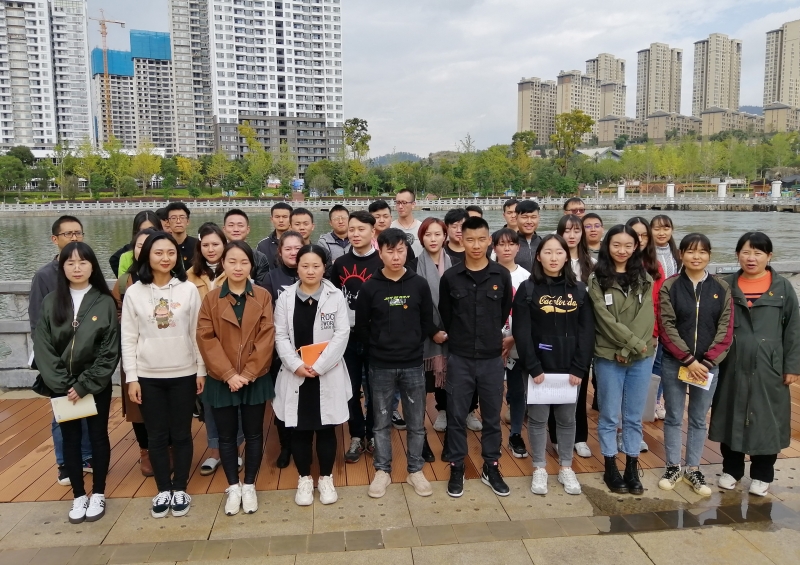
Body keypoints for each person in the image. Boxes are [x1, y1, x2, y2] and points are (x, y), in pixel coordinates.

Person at [121, 232, 206, 519]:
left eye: (171, 252)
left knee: (181, 434)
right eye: (158, 252)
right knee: (156, 435)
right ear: (147, 255)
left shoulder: (187, 289)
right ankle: (162, 489)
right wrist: (132, 377)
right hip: (148, 375)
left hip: (184, 372)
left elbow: (196, 333)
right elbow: (128, 338)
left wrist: (201, 370)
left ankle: (180, 487)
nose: (165, 258)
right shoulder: (134, 292)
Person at [34, 242, 119, 524]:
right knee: (69, 438)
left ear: (92, 266)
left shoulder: (104, 301)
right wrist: (63, 384)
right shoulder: (51, 301)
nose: (77, 268)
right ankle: (79, 495)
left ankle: (99, 493)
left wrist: (84, 384)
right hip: (61, 386)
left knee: (98, 436)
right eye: (70, 263)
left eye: (83, 262)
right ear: (62, 267)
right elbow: (43, 346)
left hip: (95, 384)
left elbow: (109, 350)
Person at [709, 232, 800, 497]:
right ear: (738, 254)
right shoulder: (725, 285)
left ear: (769, 256)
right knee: (730, 414)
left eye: (758, 253)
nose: (751, 258)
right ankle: (731, 470)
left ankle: (762, 474)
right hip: (732, 363)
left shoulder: (783, 288)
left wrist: (792, 366)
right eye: (746, 252)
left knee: (766, 417)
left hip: (769, 366)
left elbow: (794, 329)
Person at [356, 229, 436, 498]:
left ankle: (415, 469)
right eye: (389, 251)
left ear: (406, 251)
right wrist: (378, 346)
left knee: (416, 421)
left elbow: (426, 321)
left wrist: (412, 343)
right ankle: (382, 470)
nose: (395, 256)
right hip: (380, 364)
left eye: (400, 250)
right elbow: (362, 326)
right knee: (380, 421)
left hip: (412, 363)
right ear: (380, 253)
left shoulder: (419, 284)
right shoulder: (370, 287)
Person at [197, 241, 275, 516]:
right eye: (232, 261)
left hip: (255, 377)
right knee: (227, 436)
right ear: (223, 264)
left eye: (244, 262)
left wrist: (249, 373)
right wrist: (229, 374)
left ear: (251, 265)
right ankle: (233, 485)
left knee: (254, 434)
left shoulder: (262, 296)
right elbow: (206, 338)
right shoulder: (211, 299)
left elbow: (267, 336)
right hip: (222, 378)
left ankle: (249, 484)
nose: (238, 267)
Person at [513, 235, 594, 496]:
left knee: (567, 419)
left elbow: (587, 332)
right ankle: (539, 467)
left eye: (559, 252)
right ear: (538, 256)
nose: (553, 257)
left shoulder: (579, 290)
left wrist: (579, 367)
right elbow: (522, 332)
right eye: (547, 252)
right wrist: (533, 367)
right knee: (537, 419)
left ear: (566, 256)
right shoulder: (527, 289)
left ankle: (566, 467)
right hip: (538, 367)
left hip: (570, 369)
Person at [439, 216, 513, 498]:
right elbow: (446, 314)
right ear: (461, 240)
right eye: (470, 239)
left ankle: (490, 466)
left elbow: (504, 312)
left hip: (492, 358)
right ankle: (457, 465)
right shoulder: (451, 277)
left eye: (482, 239)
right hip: (460, 357)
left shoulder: (501, 275)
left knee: (492, 417)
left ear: (489, 241)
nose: (476, 245)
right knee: (457, 416)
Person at [273, 245, 351, 506]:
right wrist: (295, 364)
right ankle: (304, 478)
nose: (310, 271)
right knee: (300, 430)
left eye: (316, 266)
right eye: (304, 265)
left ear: (324, 267)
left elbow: (342, 334)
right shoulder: (285, 298)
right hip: (297, 373)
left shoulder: (335, 296)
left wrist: (320, 365)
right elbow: (280, 335)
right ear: (297, 267)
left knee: (326, 428)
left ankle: (326, 478)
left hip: (326, 372)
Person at [657, 233, 733, 496]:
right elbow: (666, 326)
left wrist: (708, 361)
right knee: (674, 416)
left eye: (702, 251)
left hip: (708, 366)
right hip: (675, 362)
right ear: (681, 254)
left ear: (709, 255)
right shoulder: (670, 286)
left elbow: (726, 328)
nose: (696, 256)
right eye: (690, 251)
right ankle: (672, 466)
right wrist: (688, 359)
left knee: (699, 418)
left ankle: (693, 468)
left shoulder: (721, 287)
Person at [588, 224, 655, 496]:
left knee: (633, 416)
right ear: (607, 246)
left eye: (628, 245)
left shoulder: (644, 277)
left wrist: (629, 349)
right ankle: (610, 466)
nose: (622, 250)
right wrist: (631, 345)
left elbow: (646, 318)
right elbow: (603, 319)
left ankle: (631, 467)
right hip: (608, 354)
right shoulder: (597, 278)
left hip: (640, 355)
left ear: (636, 247)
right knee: (608, 415)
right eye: (616, 245)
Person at [29, 215, 92, 486]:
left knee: (87, 407)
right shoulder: (44, 276)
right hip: (58, 356)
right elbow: (37, 323)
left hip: (86, 355)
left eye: (78, 233)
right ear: (55, 239)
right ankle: (65, 462)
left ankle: (87, 456)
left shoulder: (89, 269)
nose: (74, 238)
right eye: (68, 234)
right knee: (62, 410)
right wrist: (51, 360)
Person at [186, 223, 245, 477]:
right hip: (202, 347)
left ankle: (236, 447)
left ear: (224, 245)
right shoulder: (189, 276)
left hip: (232, 348)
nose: (211, 249)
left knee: (235, 401)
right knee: (209, 402)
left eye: (216, 244)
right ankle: (214, 450)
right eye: (206, 245)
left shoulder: (235, 271)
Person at [329, 211, 382, 462]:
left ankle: (373, 433)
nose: (355, 234)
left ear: (373, 232)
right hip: (347, 338)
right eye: (352, 229)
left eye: (361, 229)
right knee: (349, 389)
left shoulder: (382, 262)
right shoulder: (340, 264)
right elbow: (331, 298)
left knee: (376, 389)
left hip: (376, 336)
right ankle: (356, 434)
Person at [112, 228, 158, 477]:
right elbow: (114, 316)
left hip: (165, 353)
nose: (146, 249)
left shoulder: (176, 282)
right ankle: (145, 450)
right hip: (134, 352)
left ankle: (168, 447)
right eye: (141, 245)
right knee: (137, 407)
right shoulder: (125, 283)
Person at [550, 214, 596, 458]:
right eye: (566, 230)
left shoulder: (592, 264)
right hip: (554, 332)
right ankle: (556, 436)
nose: (571, 235)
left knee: (579, 384)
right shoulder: (553, 260)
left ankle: (579, 437)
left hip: (580, 333)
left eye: (576, 230)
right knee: (554, 386)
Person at [264, 230, 303, 468]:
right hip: (280, 350)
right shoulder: (271, 278)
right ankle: (285, 445)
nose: (293, 253)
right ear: (279, 252)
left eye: (297, 248)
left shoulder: (312, 273)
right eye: (287, 248)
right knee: (281, 400)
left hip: (308, 347)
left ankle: (303, 442)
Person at [492, 228, 530, 458]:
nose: (506, 248)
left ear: (518, 247)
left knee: (517, 391)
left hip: (517, 344)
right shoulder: (488, 273)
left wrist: (514, 337)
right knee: (491, 392)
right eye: (501, 244)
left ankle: (515, 433)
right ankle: (491, 435)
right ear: (494, 247)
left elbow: (530, 314)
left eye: (511, 244)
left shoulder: (526, 277)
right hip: (491, 344)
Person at [627, 216, 664, 435]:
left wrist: (655, 333)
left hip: (648, 334)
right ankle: (619, 428)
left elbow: (658, 303)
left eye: (644, 235)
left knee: (640, 383)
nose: (640, 239)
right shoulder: (617, 263)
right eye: (636, 234)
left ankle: (635, 428)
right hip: (620, 334)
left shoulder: (654, 266)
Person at [222, 209, 271, 288]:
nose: (236, 229)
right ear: (224, 229)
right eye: (231, 225)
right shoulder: (217, 254)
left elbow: (261, 286)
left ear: (248, 229)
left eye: (240, 225)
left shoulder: (259, 258)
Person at [109, 210, 160, 277]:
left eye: (151, 230)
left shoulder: (167, 255)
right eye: (142, 231)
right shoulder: (126, 258)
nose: (146, 235)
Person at [257, 202, 293, 269]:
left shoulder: (299, 243)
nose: (281, 220)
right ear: (271, 219)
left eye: (285, 217)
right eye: (277, 217)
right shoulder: (263, 245)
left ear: (291, 219)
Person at [390, 188, 423, 256]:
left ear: (413, 204)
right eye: (398, 203)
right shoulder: (390, 228)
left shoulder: (422, 228)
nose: (400, 206)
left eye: (404, 203)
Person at [164, 203, 197, 267]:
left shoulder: (197, 245)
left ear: (188, 221)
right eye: (174, 218)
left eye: (182, 217)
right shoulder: (163, 245)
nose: (178, 221)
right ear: (167, 222)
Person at [515, 200, 542, 272]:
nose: (529, 221)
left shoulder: (543, 243)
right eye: (524, 217)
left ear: (538, 218)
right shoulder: (510, 244)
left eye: (533, 217)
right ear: (516, 218)